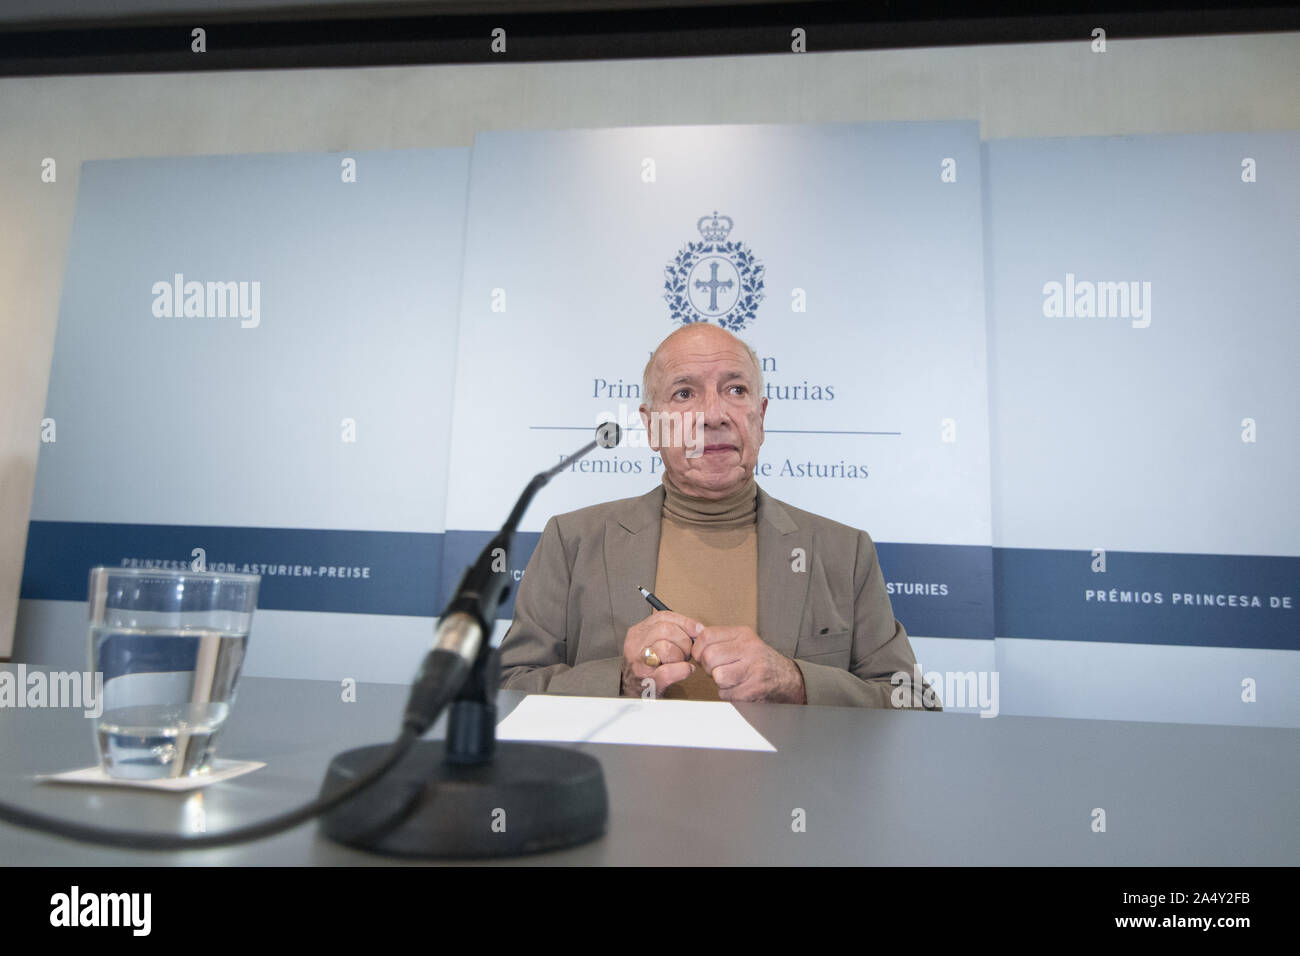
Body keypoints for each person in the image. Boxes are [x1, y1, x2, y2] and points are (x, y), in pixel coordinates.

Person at [498, 323, 940, 709]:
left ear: (760, 418)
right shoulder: (572, 541)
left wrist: (797, 682)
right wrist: (621, 681)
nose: (714, 415)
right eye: (685, 393)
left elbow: (914, 703)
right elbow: (505, 692)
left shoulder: (844, 553)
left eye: (736, 390)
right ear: (651, 427)